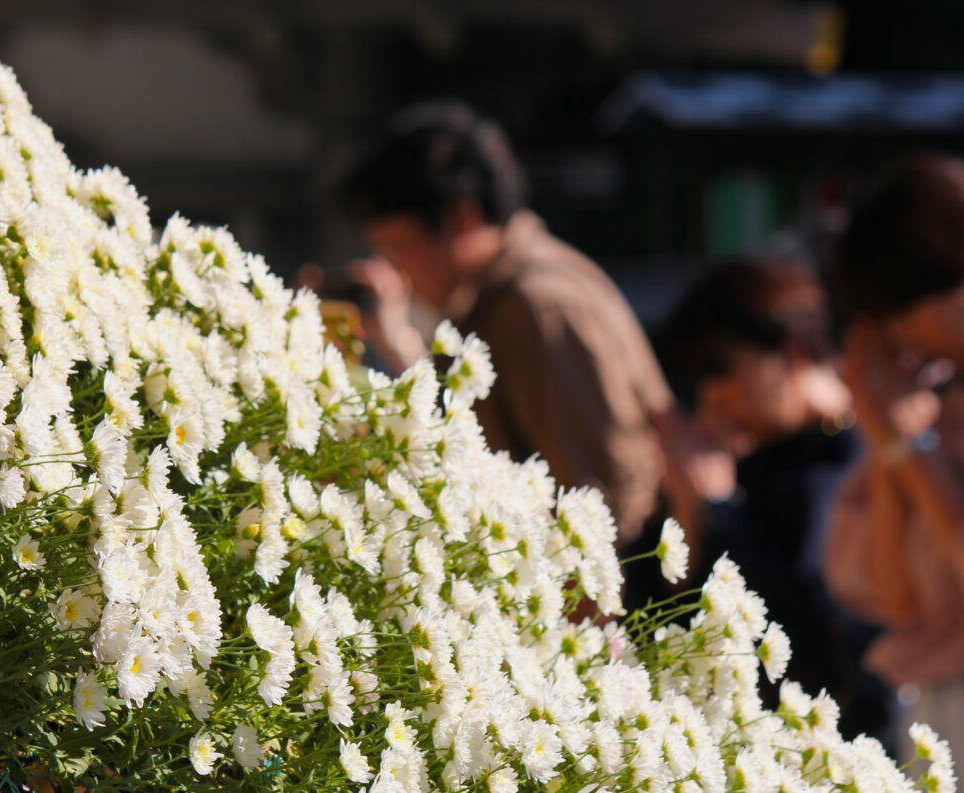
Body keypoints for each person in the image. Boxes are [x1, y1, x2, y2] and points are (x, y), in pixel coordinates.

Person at [336, 101, 725, 543]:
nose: (392, 268)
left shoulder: (537, 306)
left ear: (462, 217)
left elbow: (601, 505)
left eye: (397, 247)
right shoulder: (504, 295)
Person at [657, 259, 891, 741]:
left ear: (790, 353)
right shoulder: (760, 458)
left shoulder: (855, 456)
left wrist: (718, 513)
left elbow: (807, 625)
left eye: (718, 368)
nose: (709, 396)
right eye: (695, 379)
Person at [824, 155, 964, 759]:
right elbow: (896, 598)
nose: (902, 336)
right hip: (934, 715)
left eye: (906, 310)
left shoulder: (931, 422)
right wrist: (888, 438)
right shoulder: (936, 400)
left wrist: (915, 451)